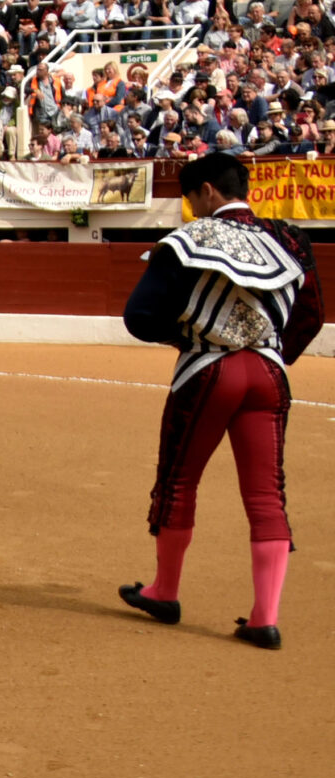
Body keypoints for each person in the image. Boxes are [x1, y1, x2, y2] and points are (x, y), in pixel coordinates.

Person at [118, 152, 322, 650]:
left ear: (207, 191)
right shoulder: (290, 239)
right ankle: (265, 618)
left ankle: (165, 591)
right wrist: (271, 351)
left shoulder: (187, 240)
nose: (192, 207)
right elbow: (311, 314)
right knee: (267, 494)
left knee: (179, 481)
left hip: (208, 371)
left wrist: (190, 337)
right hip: (269, 376)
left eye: (191, 197)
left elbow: (140, 316)